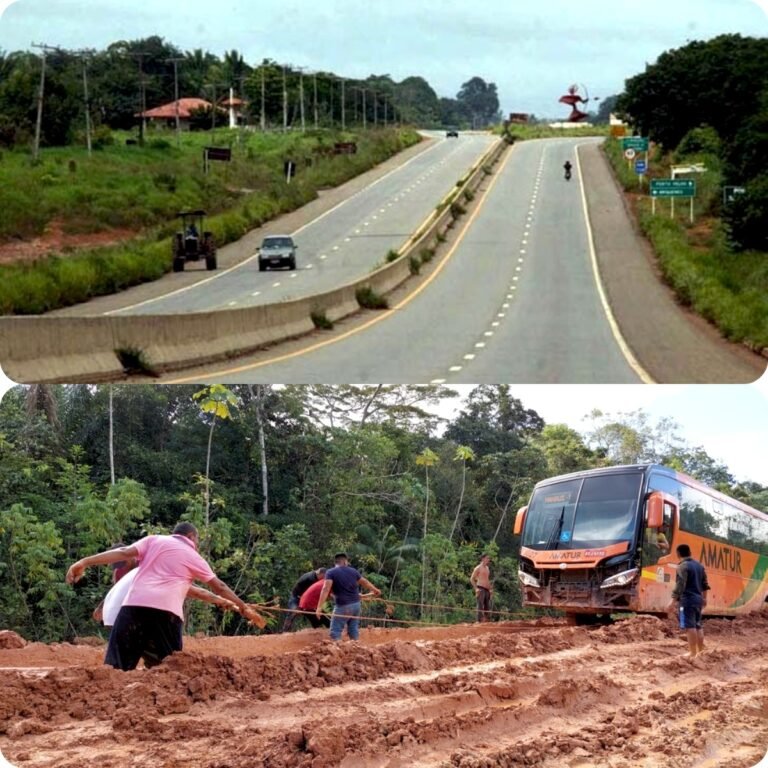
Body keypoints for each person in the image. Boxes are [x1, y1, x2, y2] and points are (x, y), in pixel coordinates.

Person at [66, 522, 265, 671]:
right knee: (171, 668)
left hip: (133, 609)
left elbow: (123, 552)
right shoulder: (194, 557)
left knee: (116, 668)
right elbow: (219, 586)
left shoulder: (153, 541)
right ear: (190, 536)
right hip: (166, 615)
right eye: (197, 539)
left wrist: (84, 562)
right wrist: (243, 607)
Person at [315, 553, 381, 641]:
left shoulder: (331, 572)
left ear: (336, 562)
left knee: (335, 632)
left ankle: (337, 652)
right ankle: (356, 648)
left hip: (343, 606)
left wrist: (319, 607)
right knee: (353, 629)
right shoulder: (353, 571)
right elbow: (365, 582)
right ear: (345, 562)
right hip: (356, 606)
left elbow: (326, 589)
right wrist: (375, 590)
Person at [666, 543, 710, 657]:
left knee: (690, 627)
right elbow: (705, 585)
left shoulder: (683, 566)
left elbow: (680, 585)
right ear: (690, 552)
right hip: (698, 600)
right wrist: (704, 599)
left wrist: (672, 601)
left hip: (687, 600)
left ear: (678, 554)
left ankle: (692, 653)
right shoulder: (699, 566)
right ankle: (700, 651)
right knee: (698, 625)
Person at [92, 542, 138, 623]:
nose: (123, 567)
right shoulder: (118, 572)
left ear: (130, 556)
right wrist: (101, 607)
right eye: (118, 564)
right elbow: (115, 591)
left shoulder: (142, 565)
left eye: (123, 563)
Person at [282, 567, 326, 632]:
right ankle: (285, 631)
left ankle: (317, 628)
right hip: (296, 597)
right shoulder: (311, 579)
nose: (324, 578)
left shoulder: (315, 577)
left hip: (304, 598)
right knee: (293, 612)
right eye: (324, 576)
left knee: (313, 613)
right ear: (321, 574)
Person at [470, 554, 493, 623]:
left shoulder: (487, 568)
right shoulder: (478, 568)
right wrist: (476, 588)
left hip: (486, 588)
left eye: (488, 558)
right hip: (480, 587)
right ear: (483, 559)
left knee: (487, 605)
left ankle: (486, 620)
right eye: (487, 558)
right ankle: (478, 620)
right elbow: (471, 579)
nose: (488, 560)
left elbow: (487, 579)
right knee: (480, 604)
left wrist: (490, 589)